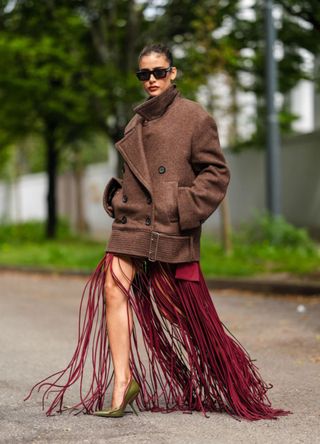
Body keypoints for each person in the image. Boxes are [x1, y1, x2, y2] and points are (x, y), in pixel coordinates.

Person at [25, 43, 291, 421]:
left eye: (158, 72)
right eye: (143, 74)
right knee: (112, 287)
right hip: (133, 222)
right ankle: (122, 383)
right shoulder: (135, 121)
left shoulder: (194, 117)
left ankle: (227, 376)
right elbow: (138, 173)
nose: (151, 80)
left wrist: (180, 206)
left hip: (170, 224)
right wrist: (118, 199)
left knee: (178, 309)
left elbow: (216, 173)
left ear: (173, 72)